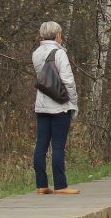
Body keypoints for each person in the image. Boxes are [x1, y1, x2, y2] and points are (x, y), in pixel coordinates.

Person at [32, 21, 79, 195]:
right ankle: (61, 185)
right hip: (59, 105)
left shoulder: (36, 53)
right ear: (58, 35)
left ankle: (41, 185)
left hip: (42, 104)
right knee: (58, 146)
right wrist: (73, 102)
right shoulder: (59, 53)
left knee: (41, 145)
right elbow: (67, 80)